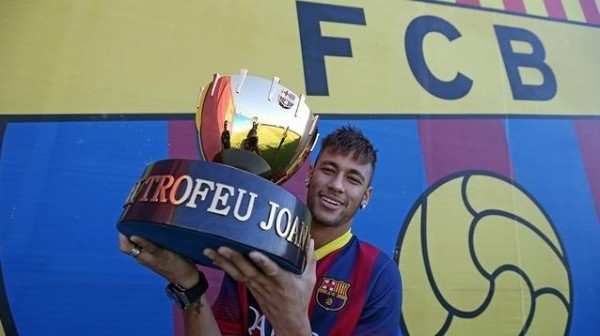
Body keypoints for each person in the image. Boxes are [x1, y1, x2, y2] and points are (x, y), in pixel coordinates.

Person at [119, 125, 402, 335]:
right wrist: (189, 285)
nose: (337, 185)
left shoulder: (378, 274)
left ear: (366, 196)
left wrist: (292, 323)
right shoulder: (255, 245)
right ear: (310, 176)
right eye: (329, 170)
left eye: (353, 179)